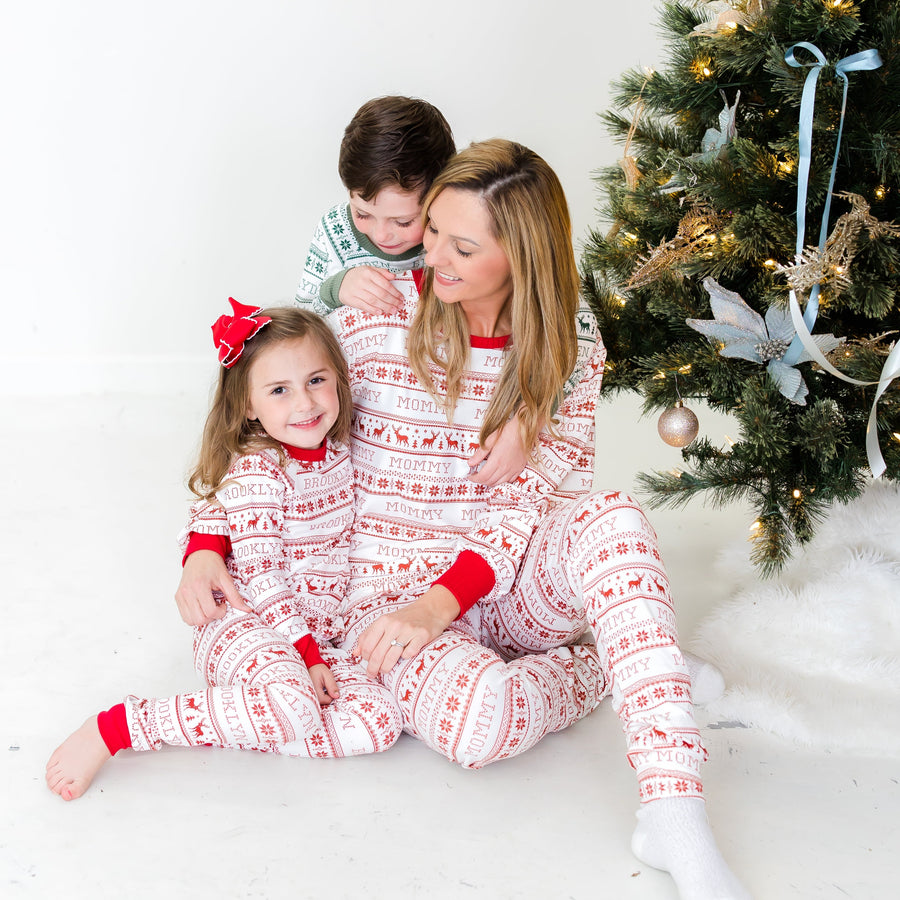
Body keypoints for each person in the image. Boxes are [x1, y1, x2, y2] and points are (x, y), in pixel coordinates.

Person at [178, 141, 748, 899]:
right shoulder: (378, 313)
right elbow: (272, 414)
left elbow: (533, 501)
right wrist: (205, 543)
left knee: (611, 516)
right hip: (388, 600)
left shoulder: (570, 347)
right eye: (434, 229)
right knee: (480, 728)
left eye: (461, 245)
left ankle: (675, 815)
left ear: (521, 253)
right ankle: (617, 664)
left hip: (504, 585)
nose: (429, 254)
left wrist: (446, 593)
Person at [45, 302, 401, 802]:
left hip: (312, 634)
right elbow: (261, 579)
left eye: (317, 380)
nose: (305, 402)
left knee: (380, 723)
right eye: (280, 390)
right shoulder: (259, 471)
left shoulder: (338, 456)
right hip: (243, 622)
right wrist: (308, 655)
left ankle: (249, 719)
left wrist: (316, 650)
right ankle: (119, 727)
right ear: (249, 405)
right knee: (296, 708)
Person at [295, 95, 455, 318]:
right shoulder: (334, 230)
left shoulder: (454, 238)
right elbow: (301, 320)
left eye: (403, 222)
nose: (381, 235)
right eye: (362, 214)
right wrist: (335, 290)